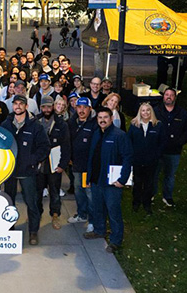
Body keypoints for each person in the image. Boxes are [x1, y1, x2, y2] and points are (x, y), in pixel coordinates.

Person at [1, 95, 50, 245]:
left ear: (26, 106)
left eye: (21, 104)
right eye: (15, 104)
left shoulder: (35, 126)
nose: (17, 106)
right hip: (10, 172)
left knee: (32, 203)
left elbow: (45, 147)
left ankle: (33, 232)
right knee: (9, 203)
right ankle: (10, 229)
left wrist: (33, 160)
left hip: (28, 172)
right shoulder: (6, 125)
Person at [84, 107, 133, 253]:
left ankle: (116, 240)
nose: (102, 120)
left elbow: (128, 157)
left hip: (112, 182)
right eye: (100, 118)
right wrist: (89, 177)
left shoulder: (120, 135)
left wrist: (122, 179)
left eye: (105, 117)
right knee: (98, 208)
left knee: (113, 211)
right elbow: (92, 157)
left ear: (111, 118)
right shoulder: (96, 134)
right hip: (96, 180)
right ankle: (99, 230)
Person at [36, 95, 70, 230]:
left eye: (49, 106)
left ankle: (55, 215)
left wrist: (63, 165)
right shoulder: (35, 121)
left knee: (54, 191)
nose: (46, 109)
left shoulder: (61, 124)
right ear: (40, 107)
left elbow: (66, 146)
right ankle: (36, 215)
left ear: (53, 107)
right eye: (44, 106)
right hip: (39, 164)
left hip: (55, 163)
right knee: (37, 192)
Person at [153, 88, 187, 207]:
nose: (168, 97)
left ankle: (167, 196)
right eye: (166, 95)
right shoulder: (156, 111)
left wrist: (180, 142)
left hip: (174, 151)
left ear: (175, 97)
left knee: (170, 175)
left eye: (171, 95)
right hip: (157, 150)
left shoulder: (182, 113)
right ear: (163, 96)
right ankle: (151, 194)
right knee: (154, 174)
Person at [127, 103, 165, 215]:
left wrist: (156, 155)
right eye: (143, 110)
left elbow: (162, 142)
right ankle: (136, 203)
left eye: (148, 110)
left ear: (151, 112)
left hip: (151, 161)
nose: (145, 113)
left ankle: (147, 204)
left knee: (149, 183)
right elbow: (129, 141)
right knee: (137, 183)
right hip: (137, 160)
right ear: (140, 112)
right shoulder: (134, 125)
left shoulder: (157, 125)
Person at [67, 97, 98, 230]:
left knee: (89, 192)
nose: (82, 110)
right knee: (78, 190)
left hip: (88, 166)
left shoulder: (94, 124)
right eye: (79, 107)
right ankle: (81, 214)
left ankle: (92, 220)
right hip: (76, 165)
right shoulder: (71, 122)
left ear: (90, 109)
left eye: (85, 107)